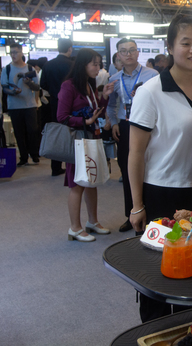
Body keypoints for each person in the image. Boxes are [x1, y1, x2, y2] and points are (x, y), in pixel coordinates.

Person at [128, 14, 192, 322]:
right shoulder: (150, 92)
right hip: (161, 192)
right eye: (186, 43)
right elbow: (135, 153)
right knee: (158, 277)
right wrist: (137, 206)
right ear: (170, 46)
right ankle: (156, 335)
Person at [57, 49, 114, 242]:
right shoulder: (69, 85)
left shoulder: (89, 85)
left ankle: (93, 222)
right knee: (77, 183)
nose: (98, 68)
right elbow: (62, 117)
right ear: (83, 64)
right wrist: (86, 122)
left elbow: (95, 110)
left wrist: (104, 97)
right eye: (95, 64)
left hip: (90, 138)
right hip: (78, 140)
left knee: (92, 181)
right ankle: (75, 227)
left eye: (99, 64)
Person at [107, 39, 159, 232]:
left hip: (147, 125)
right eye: (123, 51)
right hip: (125, 126)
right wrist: (113, 123)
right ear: (118, 56)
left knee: (149, 167)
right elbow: (111, 105)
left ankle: (151, 212)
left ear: (138, 53)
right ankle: (131, 214)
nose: (128, 54)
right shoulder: (113, 78)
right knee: (127, 170)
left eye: (131, 50)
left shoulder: (152, 75)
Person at [1, 43, 40, 166]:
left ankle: (34, 154)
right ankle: (23, 156)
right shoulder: (7, 69)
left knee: (33, 130)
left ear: (22, 52)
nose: (13, 55)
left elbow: (37, 86)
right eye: (11, 52)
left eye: (16, 52)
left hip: (29, 105)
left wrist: (28, 83)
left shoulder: (30, 69)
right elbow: (4, 87)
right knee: (19, 132)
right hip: (14, 106)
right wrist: (13, 92)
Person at [40, 38, 73, 176]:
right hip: (71, 103)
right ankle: (72, 163)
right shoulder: (72, 65)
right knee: (72, 132)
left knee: (56, 131)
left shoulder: (48, 65)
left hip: (55, 102)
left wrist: (55, 92)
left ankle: (55, 166)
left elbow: (43, 84)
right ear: (70, 49)